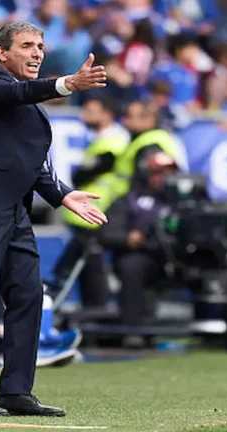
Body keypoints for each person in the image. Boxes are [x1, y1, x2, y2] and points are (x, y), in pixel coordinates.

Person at [0, 22, 107, 418]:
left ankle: (16, 390)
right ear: (2, 52)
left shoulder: (30, 112)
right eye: (27, 46)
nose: (37, 53)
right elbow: (16, 92)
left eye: (41, 46)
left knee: (29, 295)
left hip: (13, 210)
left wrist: (63, 194)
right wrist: (68, 84)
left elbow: (30, 164)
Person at [52, 97, 129, 309]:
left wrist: (82, 176)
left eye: (91, 111)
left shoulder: (114, 140)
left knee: (88, 265)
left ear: (106, 114)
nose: (83, 115)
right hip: (89, 213)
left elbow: (88, 173)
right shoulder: (100, 139)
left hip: (99, 212)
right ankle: (90, 310)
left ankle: (96, 310)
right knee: (84, 267)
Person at [99, 152, 178, 347]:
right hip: (145, 256)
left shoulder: (184, 200)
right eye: (159, 173)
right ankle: (134, 330)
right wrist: (127, 238)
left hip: (181, 256)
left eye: (169, 173)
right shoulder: (130, 200)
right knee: (131, 265)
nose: (164, 178)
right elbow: (106, 233)